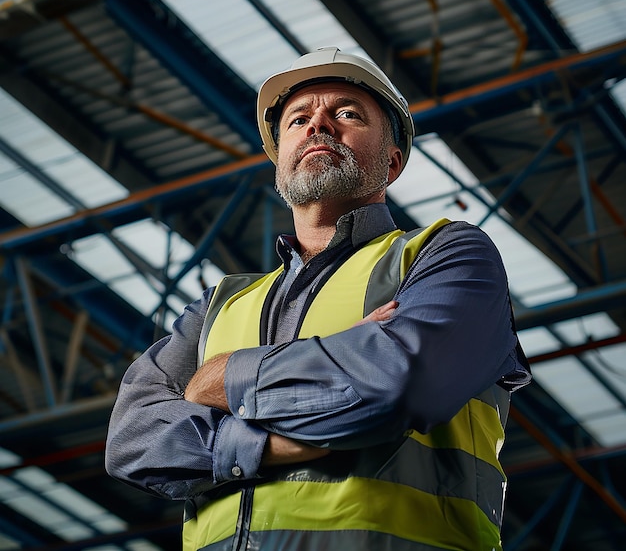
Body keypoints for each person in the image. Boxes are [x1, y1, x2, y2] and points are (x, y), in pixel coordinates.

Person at [106, 47, 531, 551]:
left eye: (347, 113)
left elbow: (405, 384)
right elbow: (133, 442)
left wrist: (222, 378)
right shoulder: (217, 305)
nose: (318, 127)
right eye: (298, 119)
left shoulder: (444, 254)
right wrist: (271, 441)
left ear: (392, 162)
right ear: (280, 165)